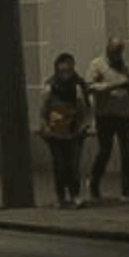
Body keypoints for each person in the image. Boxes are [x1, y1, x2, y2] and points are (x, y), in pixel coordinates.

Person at [42, 51, 93, 208]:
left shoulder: (79, 85)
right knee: (59, 166)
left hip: (74, 131)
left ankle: (75, 194)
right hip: (56, 133)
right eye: (62, 71)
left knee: (73, 165)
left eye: (68, 71)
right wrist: (45, 125)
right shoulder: (50, 86)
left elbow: (86, 107)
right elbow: (44, 109)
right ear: (57, 70)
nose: (65, 75)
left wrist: (85, 125)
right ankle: (61, 196)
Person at [86, 37, 129, 201]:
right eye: (114, 51)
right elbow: (91, 87)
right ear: (107, 50)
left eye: (119, 51)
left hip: (123, 114)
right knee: (105, 151)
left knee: (128, 152)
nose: (116, 55)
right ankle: (94, 183)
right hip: (104, 115)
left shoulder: (125, 68)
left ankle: (127, 190)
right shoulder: (97, 65)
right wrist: (114, 86)